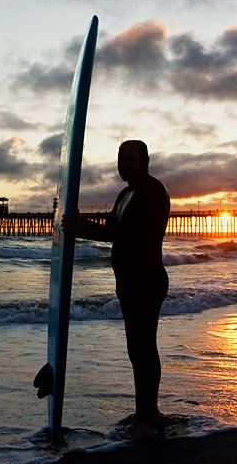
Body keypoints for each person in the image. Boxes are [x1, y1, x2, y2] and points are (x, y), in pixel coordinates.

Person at [61, 140, 170, 438]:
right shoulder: (125, 193)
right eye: (121, 159)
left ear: (146, 160)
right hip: (130, 283)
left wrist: (85, 230)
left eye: (131, 159)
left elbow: (128, 232)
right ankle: (147, 412)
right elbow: (112, 228)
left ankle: (147, 418)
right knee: (138, 349)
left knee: (143, 347)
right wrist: (80, 223)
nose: (125, 164)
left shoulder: (151, 191)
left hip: (147, 280)